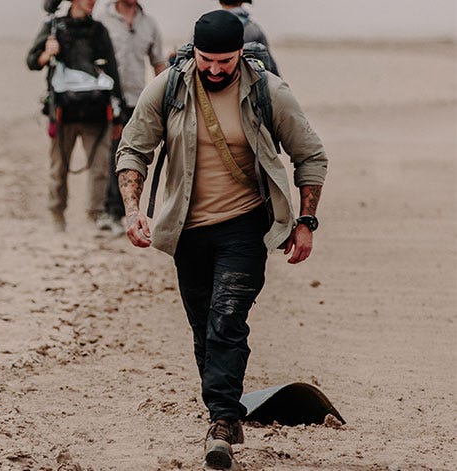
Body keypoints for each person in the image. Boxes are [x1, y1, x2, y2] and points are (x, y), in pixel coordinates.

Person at [116, 10, 327, 469]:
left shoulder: (268, 91)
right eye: (207, 60)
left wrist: (307, 222)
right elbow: (133, 149)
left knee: (226, 318)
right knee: (203, 329)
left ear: (240, 56)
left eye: (225, 62)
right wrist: (134, 212)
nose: (215, 70)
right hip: (187, 229)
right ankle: (224, 407)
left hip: (244, 225)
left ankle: (222, 420)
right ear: (194, 52)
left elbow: (310, 155)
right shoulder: (168, 89)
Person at [26, 0, 124, 232]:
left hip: (97, 113)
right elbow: (32, 62)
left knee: (100, 168)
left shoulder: (99, 30)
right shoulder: (53, 27)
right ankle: (57, 216)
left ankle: (95, 217)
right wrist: (47, 54)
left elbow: (112, 72)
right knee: (58, 169)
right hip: (63, 113)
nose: (92, 2)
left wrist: (117, 115)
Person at [93, 0, 166, 236]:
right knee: (106, 155)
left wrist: (168, 98)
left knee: (127, 156)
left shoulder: (149, 24)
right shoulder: (101, 19)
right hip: (105, 100)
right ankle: (106, 213)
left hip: (137, 101)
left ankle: (123, 213)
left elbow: (158, 64)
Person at [219, 0, 280, 76]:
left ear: (220, 2)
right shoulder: (253, 28)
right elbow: (269, 63)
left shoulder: (214, 27)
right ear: (242, 2)